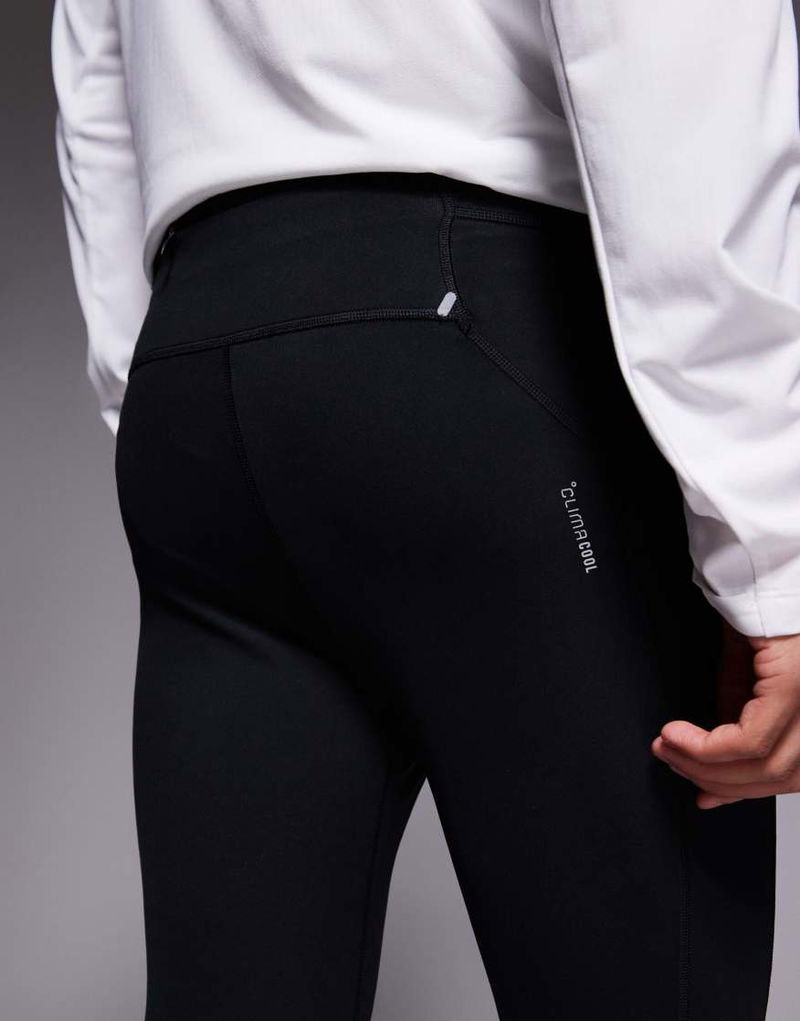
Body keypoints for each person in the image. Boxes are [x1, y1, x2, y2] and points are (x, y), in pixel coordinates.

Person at [50, 2, 800, 1018]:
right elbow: (666, 48)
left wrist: (147, 388)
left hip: (203, 367)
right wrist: (770, 552)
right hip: (486, 335)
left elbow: (95, 74)